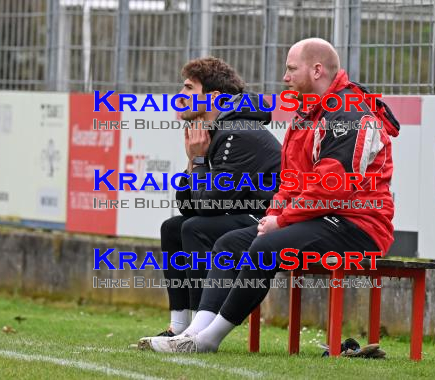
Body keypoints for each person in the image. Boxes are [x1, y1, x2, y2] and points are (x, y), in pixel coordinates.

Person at [141, 38, 400, 353]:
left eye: (291, 69)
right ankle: (191, 333)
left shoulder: (349, 115)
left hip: (358, 225)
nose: (285, 78)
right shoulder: (306, 115)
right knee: (229, 243)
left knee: (264, 244)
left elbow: (330, 187)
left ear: (317, 70)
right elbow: (289, 183)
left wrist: (281, 220)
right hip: (316, 216)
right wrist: (274, 215)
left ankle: (207, 340)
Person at [153, 57, 282, 337]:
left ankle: (199, 329)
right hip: (243, 214)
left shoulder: (238, 132)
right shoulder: (215, 130)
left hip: (271, 220)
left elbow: (210, 205)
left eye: (188, 88)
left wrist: (199, 160)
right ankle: (178, 327)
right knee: (172, 228)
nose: (180, 96)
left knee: (194, 229)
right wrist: (194, 162)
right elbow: (189, 207)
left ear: (212, 97)